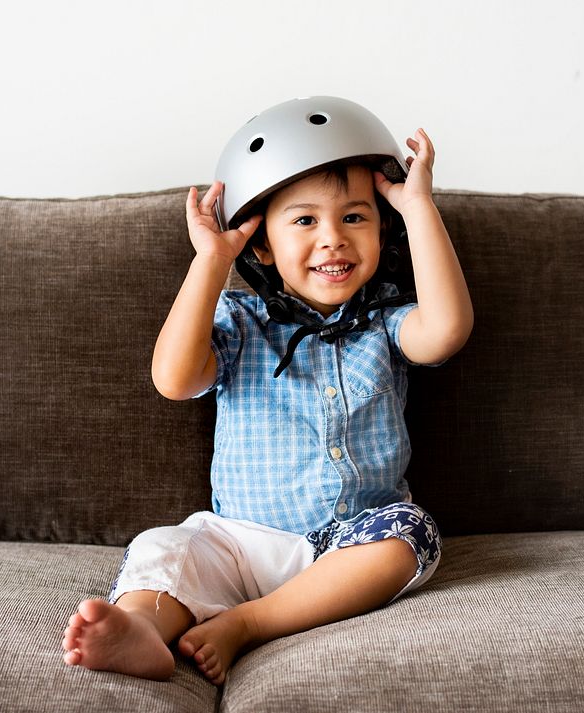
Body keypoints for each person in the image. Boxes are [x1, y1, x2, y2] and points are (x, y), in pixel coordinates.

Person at [62, 97, 473, 685]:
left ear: (384, 230)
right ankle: (141, 630)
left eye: (355, 218)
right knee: (165, 548)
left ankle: (248, 624)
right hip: (240, 545)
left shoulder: (386, 322)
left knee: (411, 533)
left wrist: (418, 207)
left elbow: (447, 330)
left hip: (351, 545)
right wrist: (210, 260)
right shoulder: (240, 322)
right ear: (261, 247)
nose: (333, 239)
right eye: (305, 221)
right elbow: (174, 380)